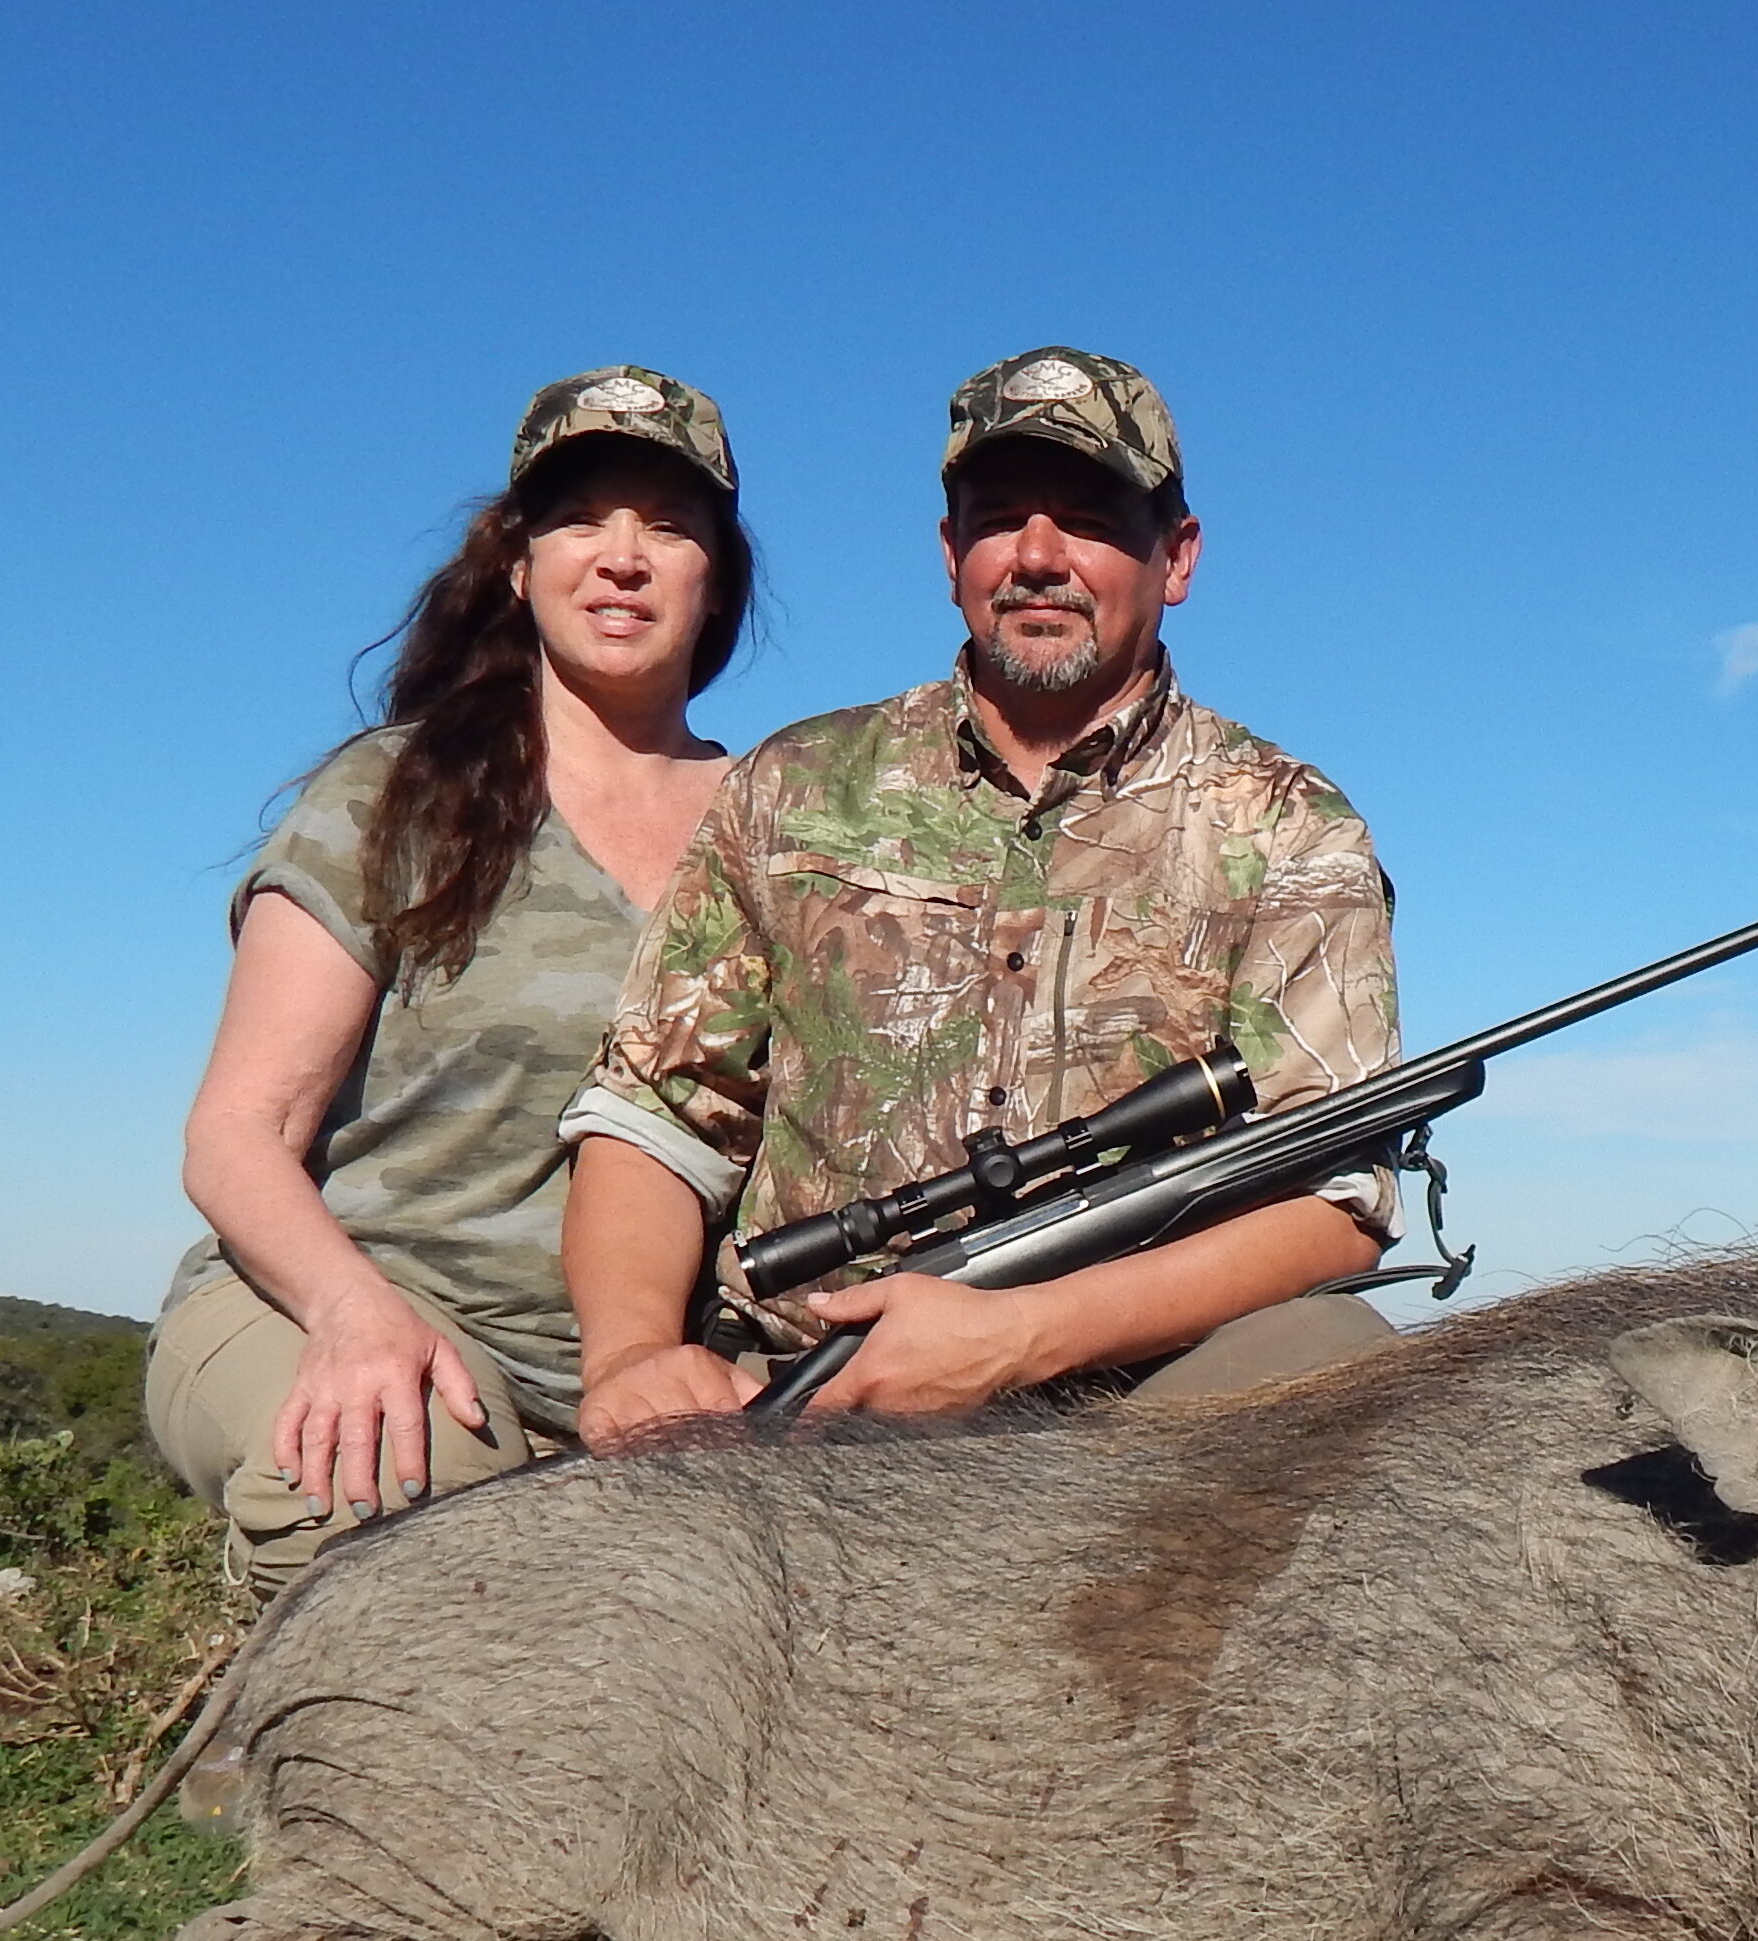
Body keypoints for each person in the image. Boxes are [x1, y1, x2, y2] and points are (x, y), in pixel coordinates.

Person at [561, 346, 1395, 1438]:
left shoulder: (1287, 821)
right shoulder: (793, 786)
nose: (1039, 557)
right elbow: (655, 1113)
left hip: (1140, 1398)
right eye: (1001, 517)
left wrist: (1022, 1337)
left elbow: (1336, 1201)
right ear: (953, 553)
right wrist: (632, 1357)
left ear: (1176, 558)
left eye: (1092, 518)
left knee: (1346, 1372)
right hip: (801, 1386)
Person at [148, 368, 756, 1594]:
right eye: (581, 519)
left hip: (646, 1366)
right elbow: (236, 1134)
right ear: (518, 565)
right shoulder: (392, 793)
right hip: (356, 1298)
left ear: (715, 580)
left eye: (670, 525)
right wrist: (352, 1312)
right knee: (392, 1516)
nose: (624, 557)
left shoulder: (783, 825)